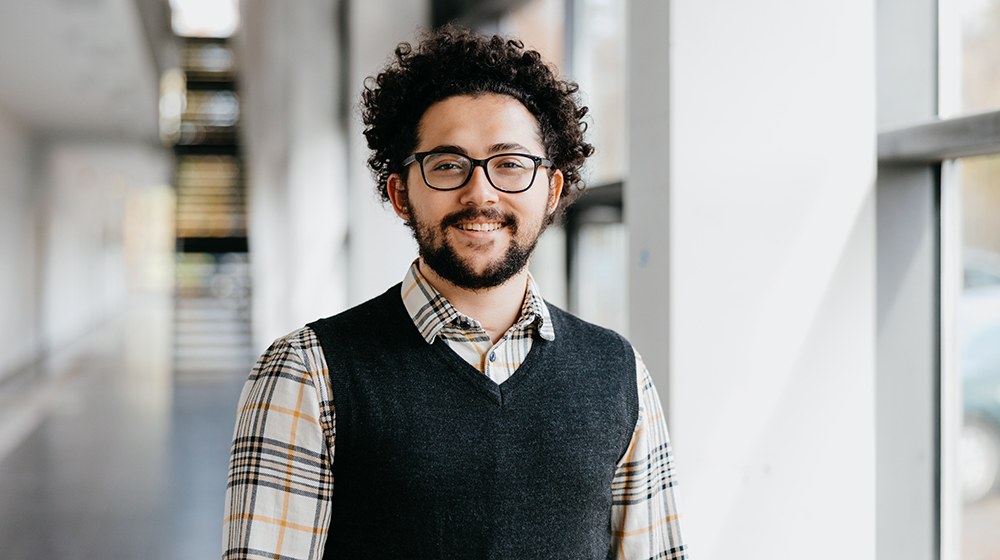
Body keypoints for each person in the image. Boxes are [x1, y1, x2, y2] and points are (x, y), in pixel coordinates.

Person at [223, 27, 685, 560]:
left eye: (510, 164)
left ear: (553, 191)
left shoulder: (618, 374)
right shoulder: (307, 373)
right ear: (400, 193)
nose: (481, 192)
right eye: (448, 165)